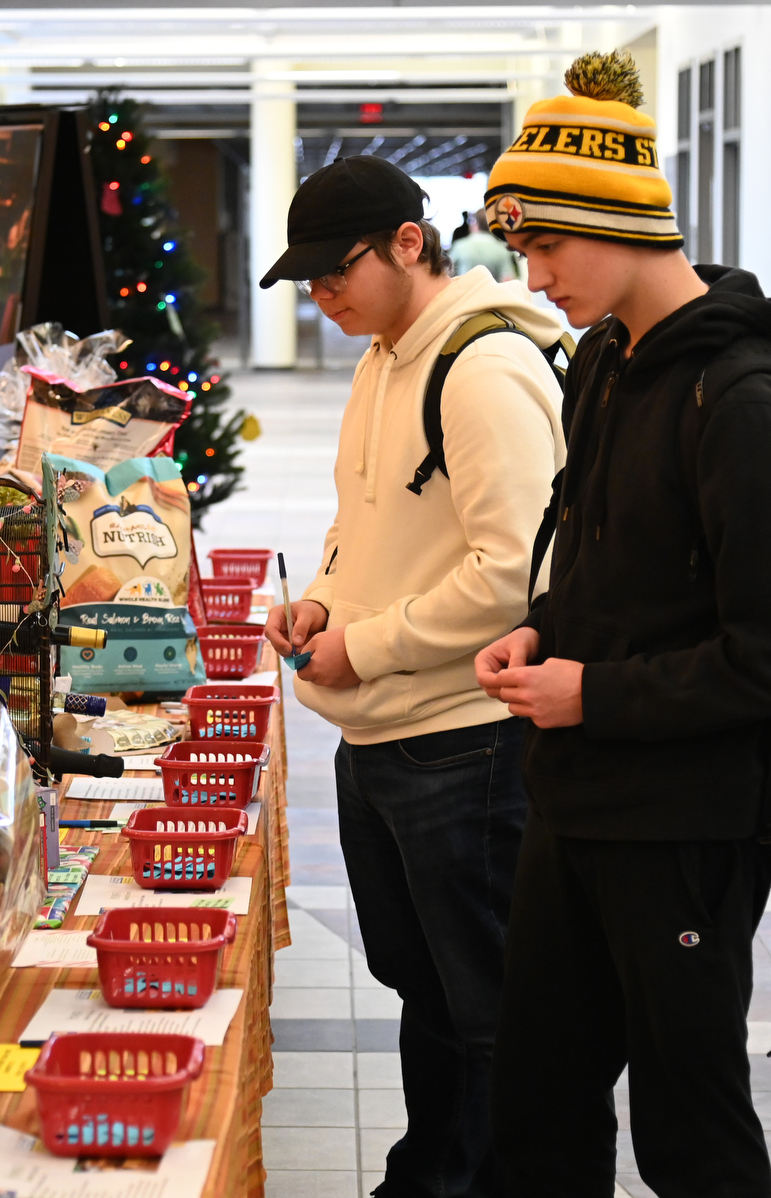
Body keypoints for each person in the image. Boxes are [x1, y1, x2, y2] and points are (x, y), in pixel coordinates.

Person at [472, 50, 771, 1197]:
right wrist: (542, 631)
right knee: (536, 1101)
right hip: (572, 798)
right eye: (521, 249)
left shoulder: (740, 399)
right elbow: (602, 560)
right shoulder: (604, 365)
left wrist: (600, 693)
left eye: (546, 246)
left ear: (622, 226)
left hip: (684, 823)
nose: (534, 276)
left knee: (691, 1127)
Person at [259, 154, 566, 1198]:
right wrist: (325, 608)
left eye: (334, 270)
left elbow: (519, 570)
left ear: (407, 242)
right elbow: (369, 522)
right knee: (426, 986)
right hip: (382, 739)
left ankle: (480, 1179)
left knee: (486, 1006)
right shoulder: (381, 357)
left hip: (464, 742)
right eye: (305, 280)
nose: (321, 295)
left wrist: (370, 643)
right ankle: (428, 1171)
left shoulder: (480, 370)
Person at [449, 211, 518, 282]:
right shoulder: (501, 249)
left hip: (464, 292)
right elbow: (508, 280)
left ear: (475, 223)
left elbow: (447, 274)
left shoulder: (459, 246)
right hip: (492, 292)